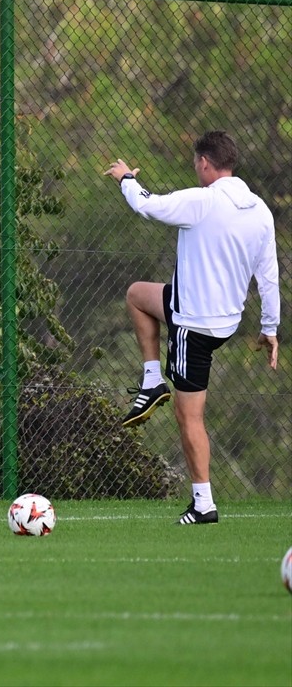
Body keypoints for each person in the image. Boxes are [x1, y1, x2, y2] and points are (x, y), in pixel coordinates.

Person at [104, 131, 279, 525]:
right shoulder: (260, 211)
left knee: (190, 418)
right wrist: (271, 329)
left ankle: (203, 504)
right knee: (138, 295)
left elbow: (148, 206)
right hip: (225, 324)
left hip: (193, 327)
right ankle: (152, 380)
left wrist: (125, 178)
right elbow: (268, 276)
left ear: (204, 163)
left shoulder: (202, 201)